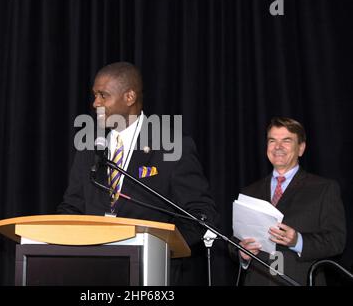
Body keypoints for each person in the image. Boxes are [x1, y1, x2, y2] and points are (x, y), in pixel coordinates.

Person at [57, 61, 218, 285]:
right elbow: (72, 207)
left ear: (129, 97)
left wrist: (160, 247)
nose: (96, 103)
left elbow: (200, 214)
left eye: (103, 95)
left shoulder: (170, 146)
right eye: (95, 95)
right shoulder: (89, 146)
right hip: (92, 270)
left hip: (150, 272)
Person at [234, 117, 346, 285]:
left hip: (300, 280)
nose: (278, 147)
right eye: (272, 141)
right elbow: (235, 240)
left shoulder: (324, 188)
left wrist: (298, 241)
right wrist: (242, 252)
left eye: (286, 141)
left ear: (301, 148)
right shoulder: (249, 192)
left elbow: (336, 241)